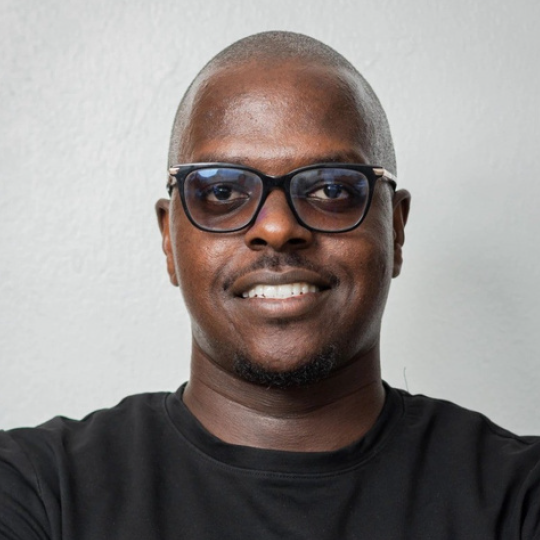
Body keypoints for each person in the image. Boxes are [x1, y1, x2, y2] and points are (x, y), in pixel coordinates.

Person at [1, 31, 539, 540]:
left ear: (395, 230)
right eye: (221, 191)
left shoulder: (518, 497)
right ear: (169, 238)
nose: (278, 228)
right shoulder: (35, 490)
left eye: (332, 189)